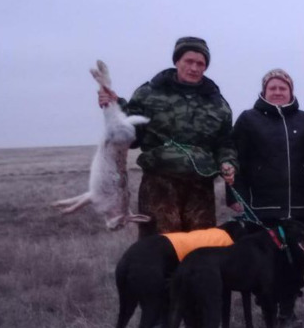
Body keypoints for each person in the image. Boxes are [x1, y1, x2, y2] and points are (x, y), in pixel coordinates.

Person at [98, 36, 237, 238]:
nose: (194, 67)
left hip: (201, 189)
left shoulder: (218, 104)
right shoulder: (149, 93)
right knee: (160, 247)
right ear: (177, 61)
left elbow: (225, 143)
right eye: (189, 61)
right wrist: (114, 105)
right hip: (159, 186)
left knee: (201, 248)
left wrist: (228, 162)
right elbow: (130, 135)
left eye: (200, 63)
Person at [228, 69, 304, 324]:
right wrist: (234, 195)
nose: (277, 92)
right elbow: (235, 159)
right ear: (264, 91)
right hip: (262, 206)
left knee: (300, 257)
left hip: (300, 206)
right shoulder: (249, 120)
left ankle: (288, 305)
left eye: (282, 88)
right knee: (266, 261)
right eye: (272, 88)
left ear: (291, 91)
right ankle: (267, 306)